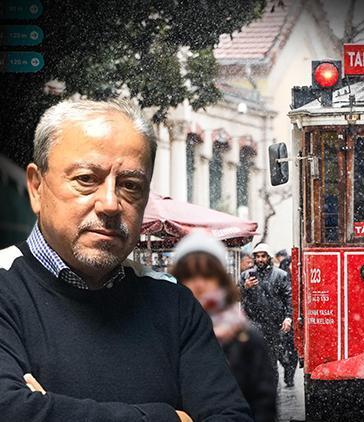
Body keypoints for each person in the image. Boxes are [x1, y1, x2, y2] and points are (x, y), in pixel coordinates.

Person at [0, 99, 252, 421]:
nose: (109, 204)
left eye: (130, 185)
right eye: (86, 179)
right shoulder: (5, 287)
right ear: (36, 187)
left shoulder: (174, 303)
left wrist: (48, 409)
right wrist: (170, 418)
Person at [170, 231, 277, 422]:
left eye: (207, 274)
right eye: (189, 275)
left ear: (220, 277)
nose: (199, 283)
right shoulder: (166, 331)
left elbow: (263, 404)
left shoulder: (244, 336)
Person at [240, 243, 293, 390]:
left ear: (268, 258)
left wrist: (288, 317)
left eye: (263, 256)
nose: (260, 259)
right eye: (257, 256)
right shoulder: (245, 276)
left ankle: (271, 392)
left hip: (273, 325)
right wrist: (245, 287)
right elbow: (236, 297)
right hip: (252, 324)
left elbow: (289, 298)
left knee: (271, 361)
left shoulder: (280, 275)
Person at [274, 248, 298, 387]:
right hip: (281, 316)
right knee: (281, 349)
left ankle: (289, 375)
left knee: (292, 349)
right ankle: (287, 368)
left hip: (292, 316)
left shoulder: (297, 275)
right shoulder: (282, 274)